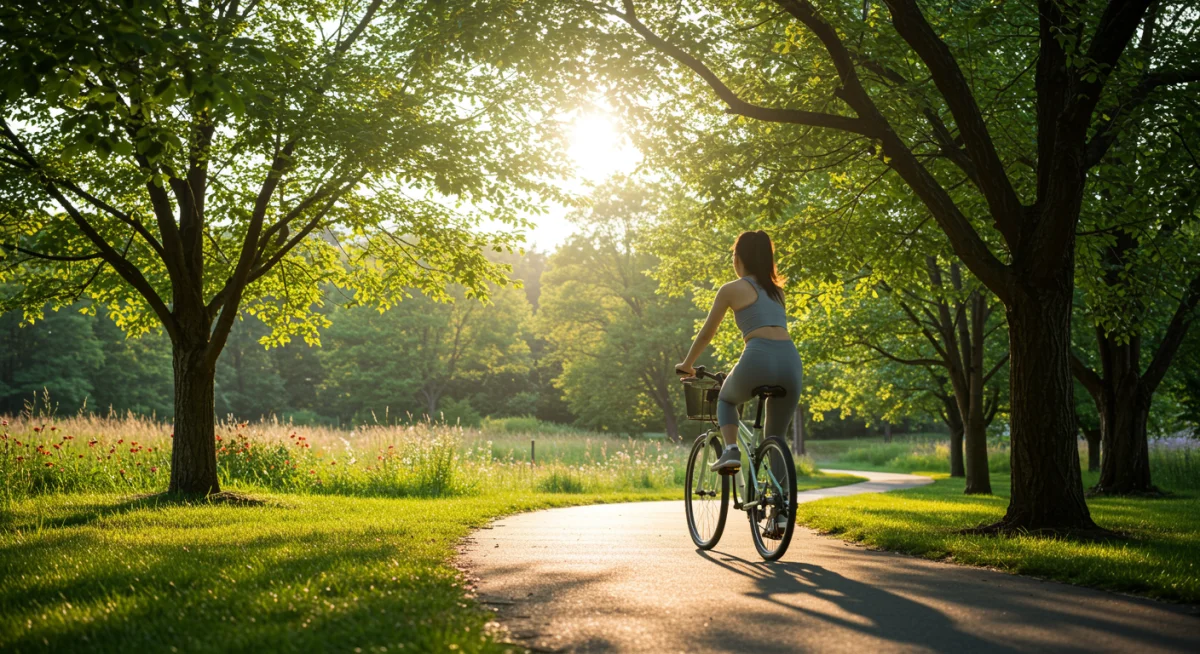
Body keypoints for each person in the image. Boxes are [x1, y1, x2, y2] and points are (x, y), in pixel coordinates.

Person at [675, 230, 803, 473]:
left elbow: (706, 333)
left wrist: (688, 364)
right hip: (790, 361)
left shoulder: (731, 289)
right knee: (776, 436)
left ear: (739, 258)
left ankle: (731, 450)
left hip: (759, 356)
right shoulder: (778, 292)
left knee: (725, 398)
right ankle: (782, 507)